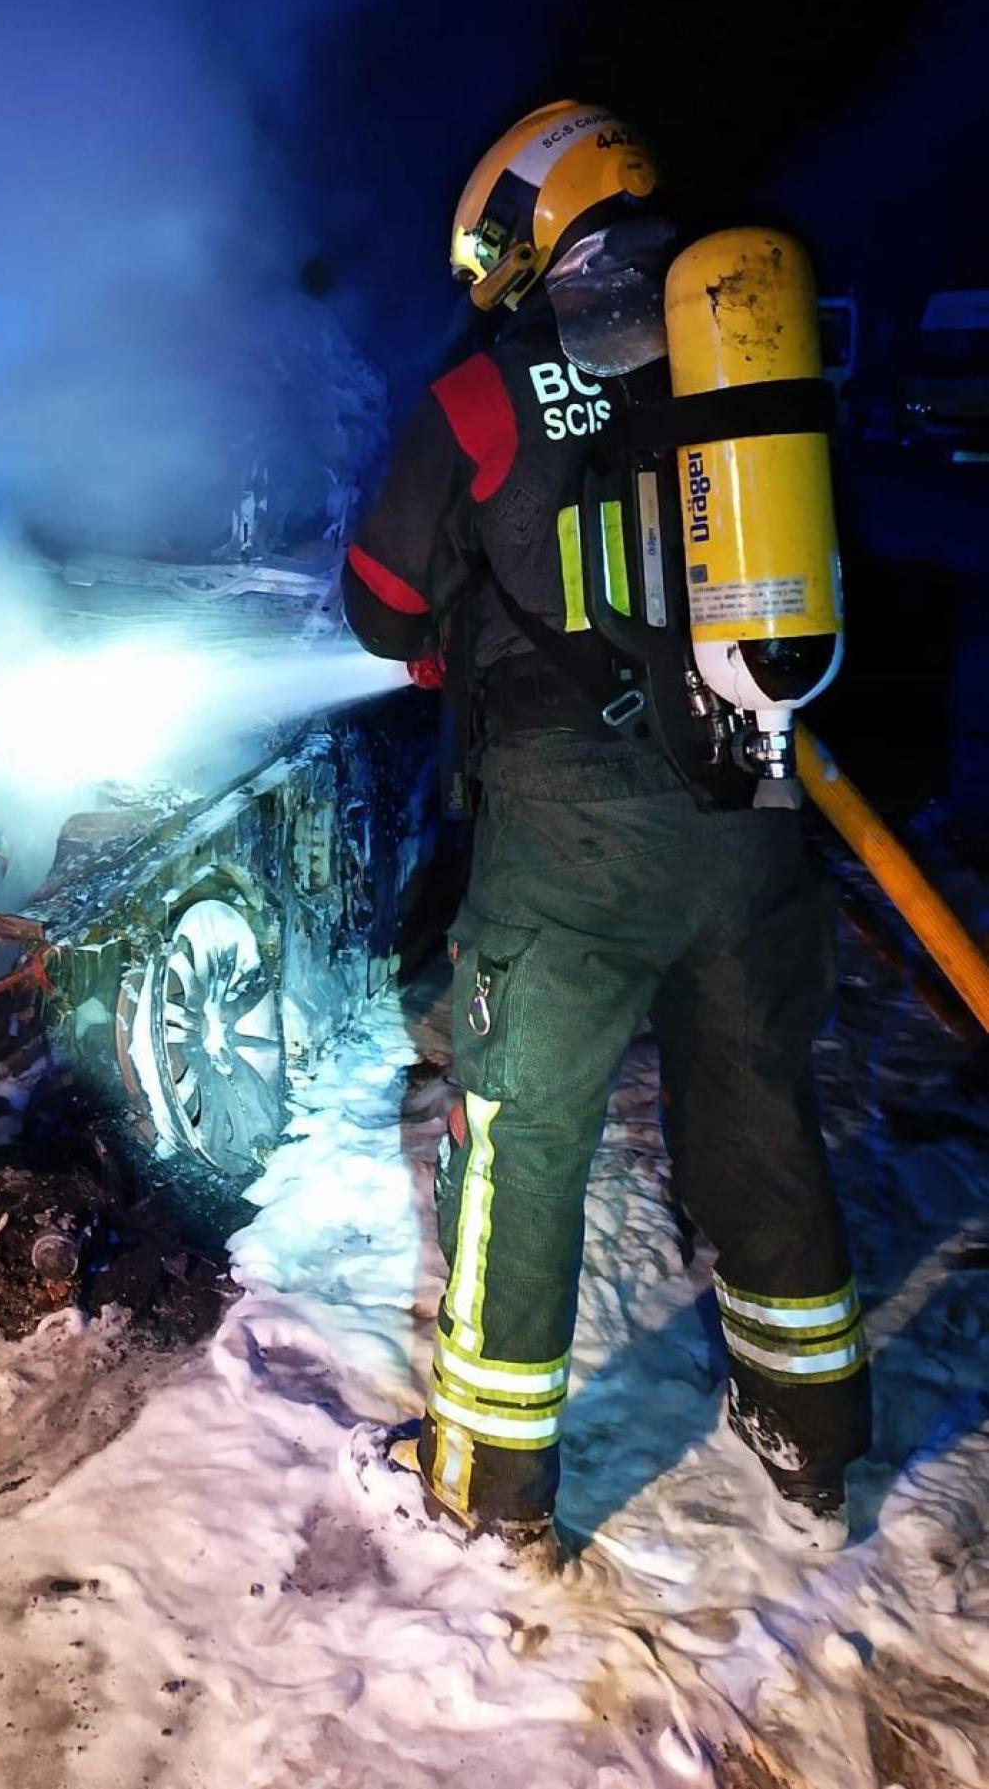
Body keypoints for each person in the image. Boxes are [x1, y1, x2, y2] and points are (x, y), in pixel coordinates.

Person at [342, 100, 870, 1557]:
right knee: (758, 1109)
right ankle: (813, 1438)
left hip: (568, 841)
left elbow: (378, 604)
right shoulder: (738, 360)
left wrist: (462, 622)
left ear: (529, 222)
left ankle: (487, 1482)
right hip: (750, 799)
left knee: (519, 1139)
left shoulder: (483, 396)